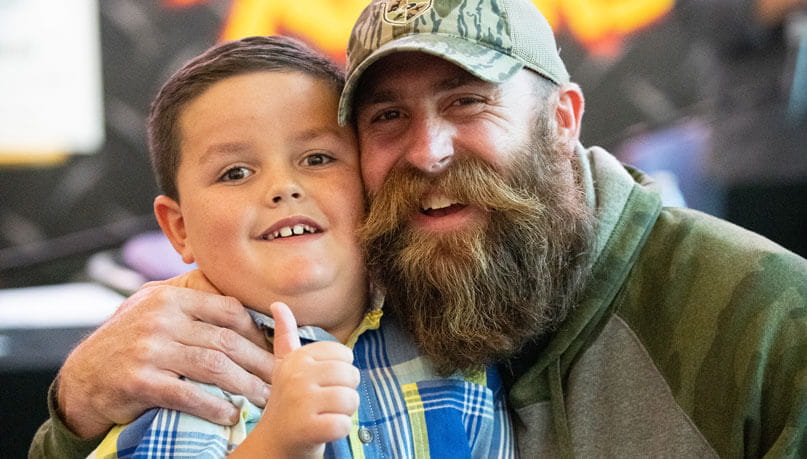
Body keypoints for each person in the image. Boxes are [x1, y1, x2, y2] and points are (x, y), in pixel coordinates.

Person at [32, 0, 807, 457]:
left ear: (562, 119)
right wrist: (73, 411)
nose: (428, 152)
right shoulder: (360, 283)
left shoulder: (764, 316)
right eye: (387, 117)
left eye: (467, 101)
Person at [32, 35, 514, 457]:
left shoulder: (450, 327)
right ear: (178, 229)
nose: (283, 187)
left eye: (318, 158)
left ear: (372, 182)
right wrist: (277, 446)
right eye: (235, 172)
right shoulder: (180, 378)